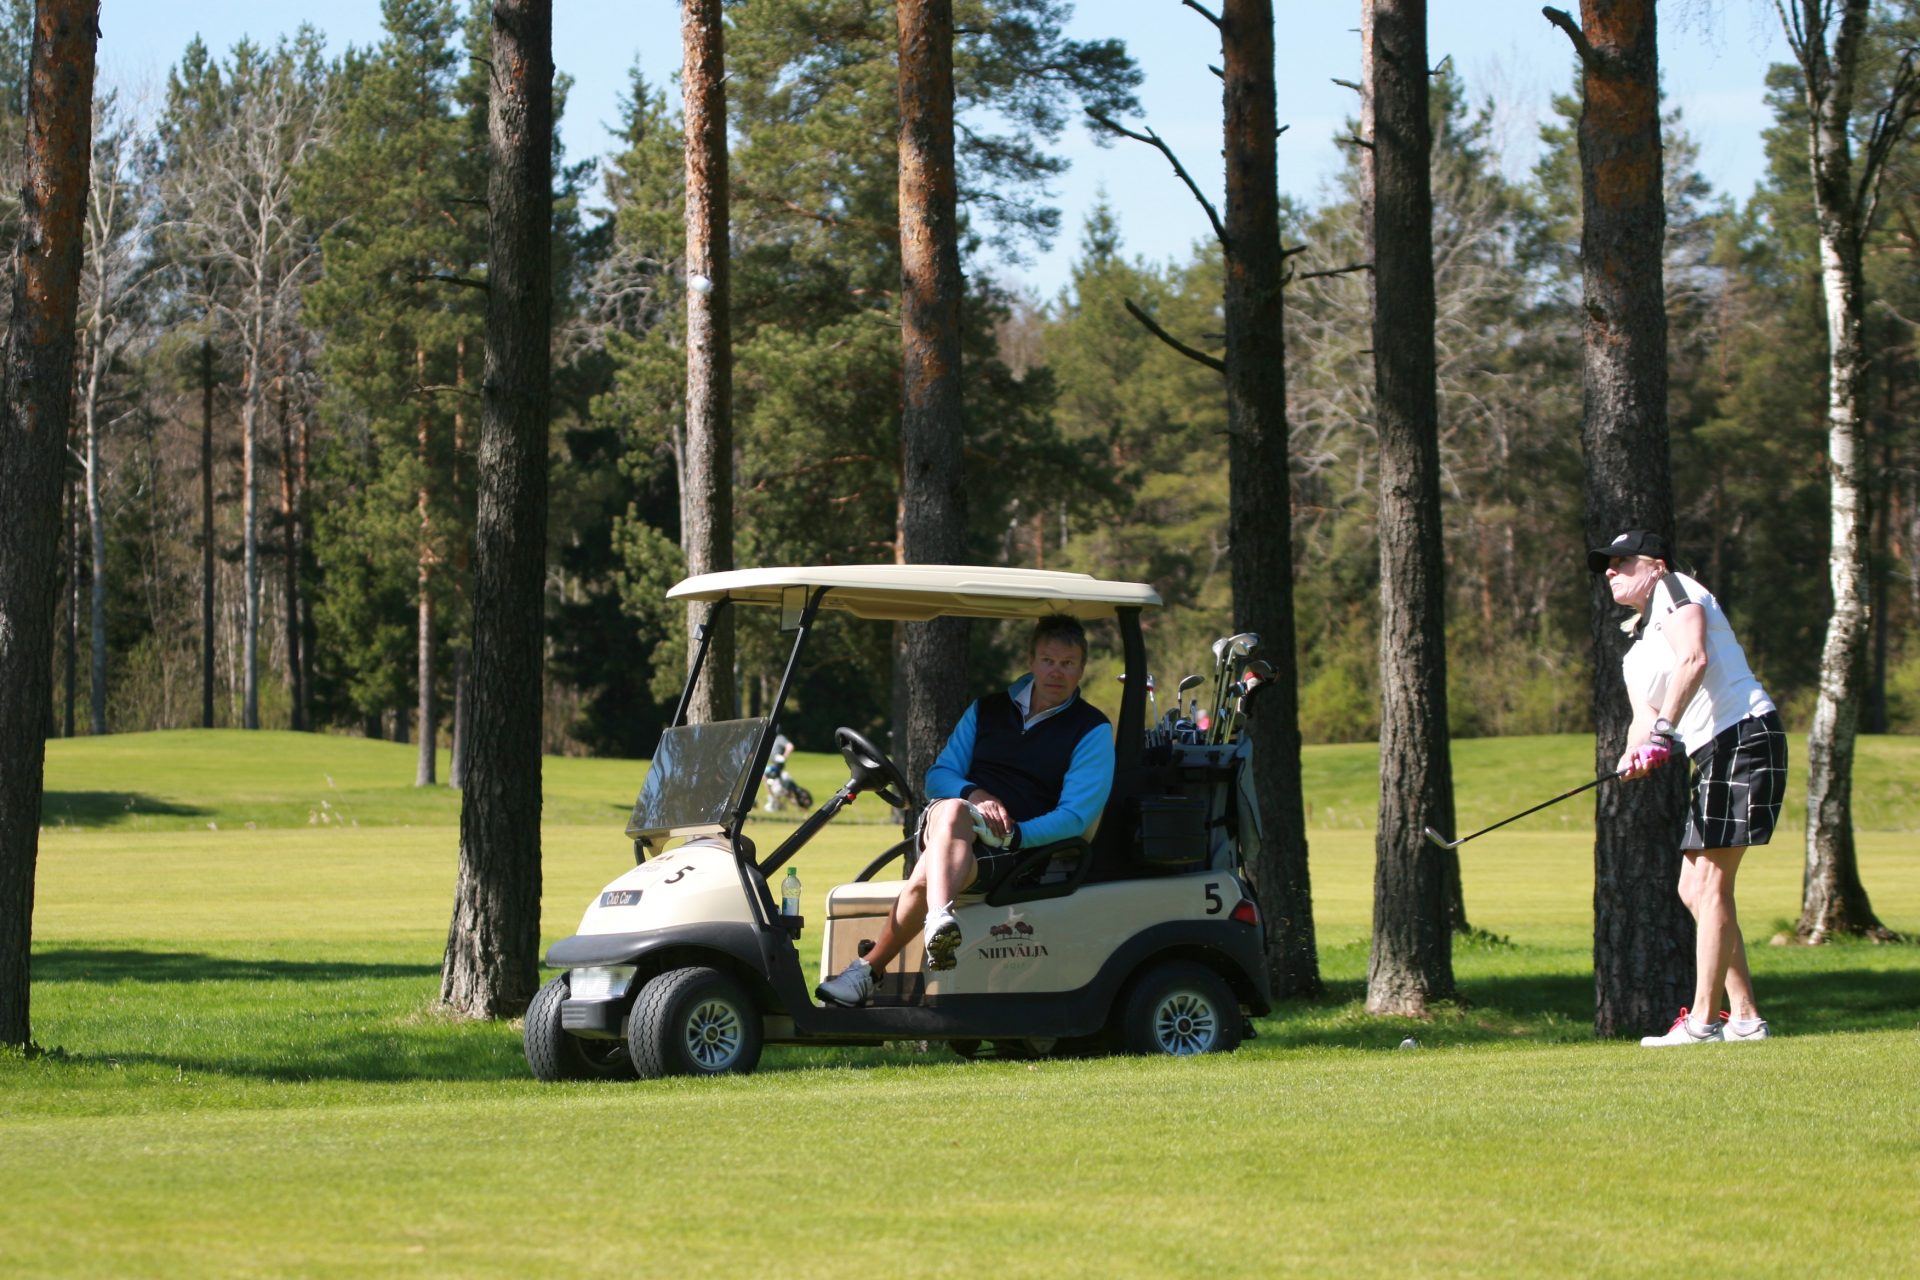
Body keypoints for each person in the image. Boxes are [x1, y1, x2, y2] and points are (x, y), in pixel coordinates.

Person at [816, 614, 1115, 1007]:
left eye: (1067, 663)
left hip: (1016, 848)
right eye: (1047, 660)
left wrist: (1017, 835)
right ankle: (939, 919)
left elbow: (1076, 816)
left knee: (926, 875)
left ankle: (869, 971)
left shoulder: (1091, 729)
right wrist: (974, 794)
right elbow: (938, 777)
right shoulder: (987, 710)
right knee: (954, 811)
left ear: (1081, 668)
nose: (1055, 672)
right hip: (956, 819)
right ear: (1031, 660)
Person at [1589, 529, 1787, 1047]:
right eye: (1607, 564)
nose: (1611, 570)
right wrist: (1633, 754)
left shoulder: (1678, 590)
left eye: (1622, 561)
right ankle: (1746, 1018)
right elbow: (1643, 718)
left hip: (1744, 735)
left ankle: (1702, 1022)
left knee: (1711, 885)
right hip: (1713, 752)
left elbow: (1694, 659)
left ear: (1655, 565)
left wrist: (1663, 733)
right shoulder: (1635, 648)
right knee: (1691, 888)